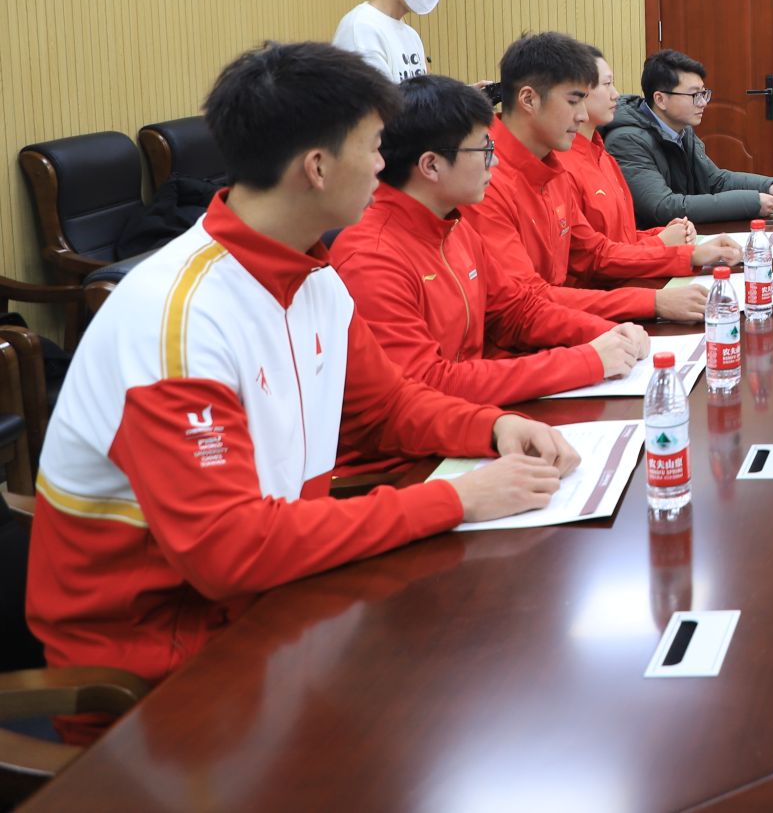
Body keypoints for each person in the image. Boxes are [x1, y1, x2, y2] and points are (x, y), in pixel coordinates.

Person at [26, 42, 580, 732]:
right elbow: (229, 550)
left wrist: (493, 426)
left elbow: (388, 405)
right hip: (164, 680)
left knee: (490, 682)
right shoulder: (176, 318)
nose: (383, 164)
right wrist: (455, 498)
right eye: (373, 146)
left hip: (281, 610)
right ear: (316, 167)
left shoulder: (313, 275)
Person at [331, 76, 653, 435]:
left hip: (474, 417)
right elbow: (427, 385)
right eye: (484, 151)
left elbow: (517, 310)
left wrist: (607, 333)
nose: (495, 162)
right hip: (419, 448)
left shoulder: (452, 225)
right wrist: (585, 360)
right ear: (431, 165)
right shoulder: (372, 257)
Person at [467, 34, 706, 325]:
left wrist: (684, 255)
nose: (582, 116)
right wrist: (652, 300)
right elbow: (523, 305)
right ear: (529, 99)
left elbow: (592, 252)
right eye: (573, 101)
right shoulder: (483, 178)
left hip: (565, 319)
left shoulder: (551, 165)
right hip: (539, 331)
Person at [561, 49, 741, 272]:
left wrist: (664, 234)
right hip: (609, 284)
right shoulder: (572, 162)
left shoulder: (602, 155)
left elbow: (622, 237)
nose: (616, 94)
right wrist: (670, 247)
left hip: (629, 273)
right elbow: (594, 258)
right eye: (607, 84)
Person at [604, 51, 773, 227]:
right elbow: (664, 207)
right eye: (695, 95)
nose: (703, 102)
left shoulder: (681, 128)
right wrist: (752, 202)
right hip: (651, 244)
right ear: (660, 99)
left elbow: (714, 180)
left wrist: (769, 186)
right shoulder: (626, 141)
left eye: (704, 93)